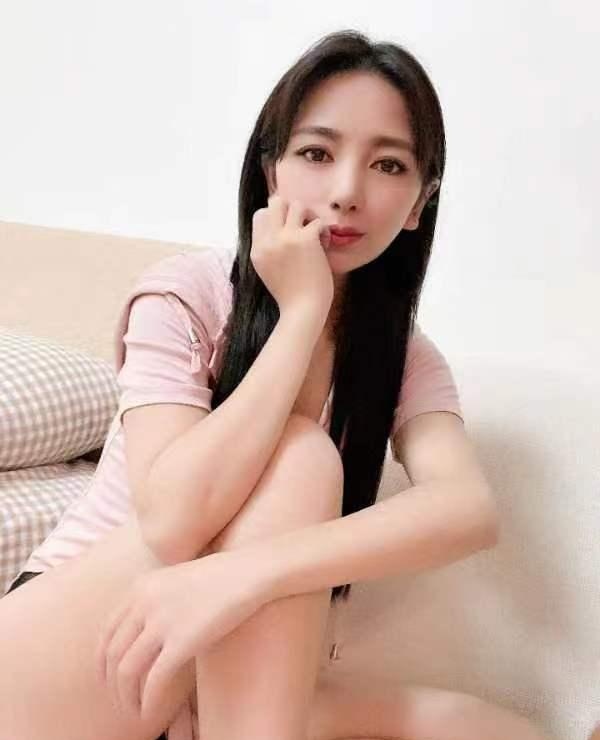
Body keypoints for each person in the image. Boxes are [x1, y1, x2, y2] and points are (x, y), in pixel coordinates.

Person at [0, 28, 553, 740]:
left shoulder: (404, 355)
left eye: (388, 165)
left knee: (489, 728)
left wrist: (248, 575)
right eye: (317, 153)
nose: (347, 192)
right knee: (298, 455)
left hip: (219, 662)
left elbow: (465, 508)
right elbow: (173, 524)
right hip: (78, 642)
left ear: (420, 203)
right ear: (271, 173)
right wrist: (302, 314)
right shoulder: (186, 294)